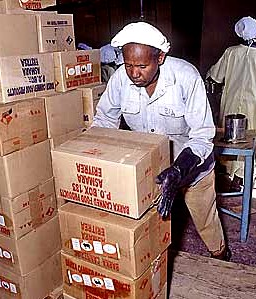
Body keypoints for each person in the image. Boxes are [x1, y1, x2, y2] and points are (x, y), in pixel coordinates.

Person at [92, 21, 231, 260]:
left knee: (206, 221)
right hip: (149, 171)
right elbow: (104, 122)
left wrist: (178, 171)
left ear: (161, 58)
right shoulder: (119, 80)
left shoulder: (186, 77)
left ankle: (221, 255)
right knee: (146, 229)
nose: (134, 74)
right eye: (128, 65)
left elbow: (202, 136)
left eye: (142, 66)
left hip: (192, 168)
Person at [206, 16, 256, 190]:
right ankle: (246, 177)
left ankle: (231, 175)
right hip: (253, 107)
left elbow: (215, 75)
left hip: (231, 104)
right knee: (250, 140)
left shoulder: (231, 52)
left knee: (231, 140)